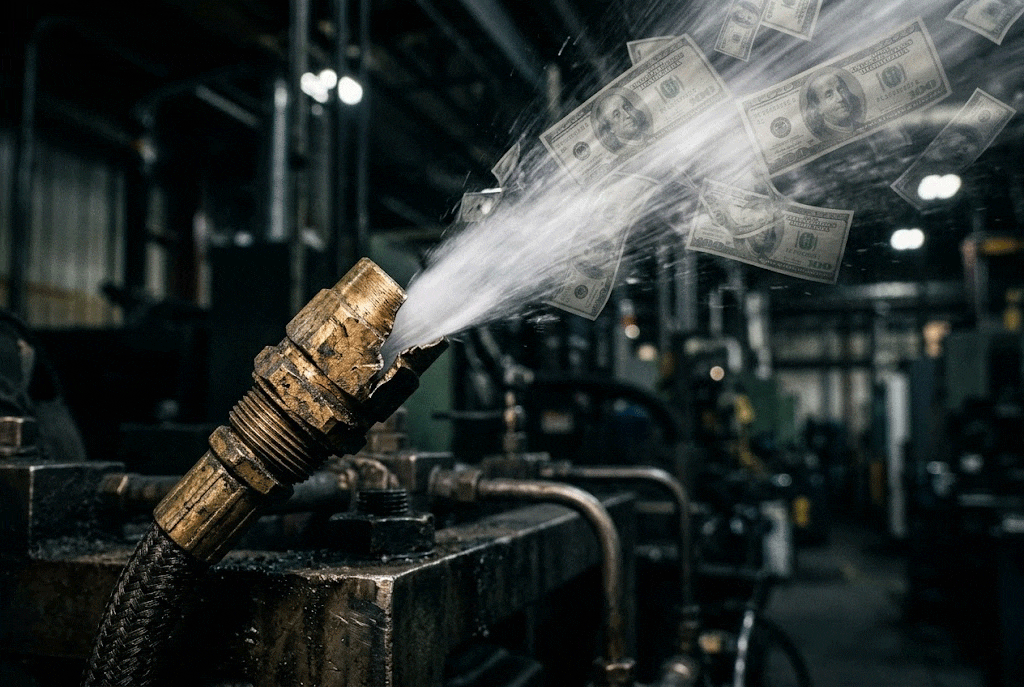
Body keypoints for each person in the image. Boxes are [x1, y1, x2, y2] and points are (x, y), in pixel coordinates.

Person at [801, 67, 865, 139]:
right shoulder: (823, 136)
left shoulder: (863, 127)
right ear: (818, 108)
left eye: (841, 90)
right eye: (829, 95)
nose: (840, 98)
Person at [591, 88, 652, 153]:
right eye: (617, 114)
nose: (627, 115)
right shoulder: (621, 153)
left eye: (627, 108)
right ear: (610, 128)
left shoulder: (650, 138)